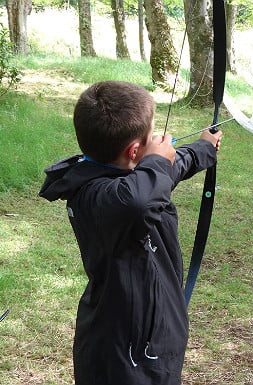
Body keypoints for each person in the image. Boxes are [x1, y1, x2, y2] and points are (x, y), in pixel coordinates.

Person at [39, 80, 223, 385]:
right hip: (124, 353)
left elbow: (164, 172)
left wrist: (203, 148)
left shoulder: (134, 178)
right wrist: (155, 161)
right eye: (149, 140)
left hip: (142, 338)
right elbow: (143, 194)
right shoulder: (98, 196)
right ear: (135, 150)